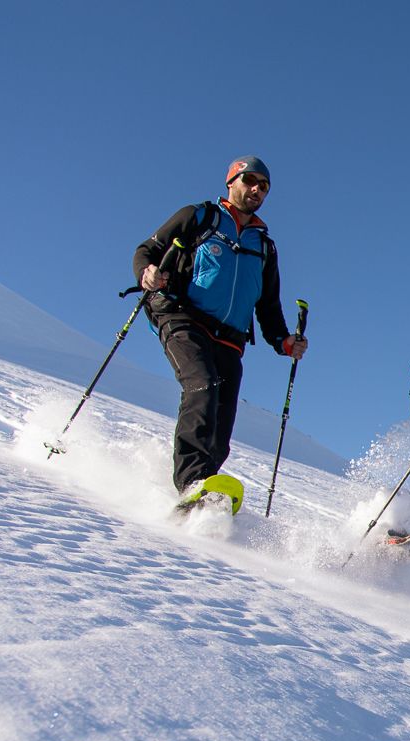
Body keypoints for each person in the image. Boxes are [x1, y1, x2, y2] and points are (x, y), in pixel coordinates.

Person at [132, 155, 307, 496]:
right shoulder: (199, 217)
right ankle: (191, 484)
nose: (256, 189)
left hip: (229, 337)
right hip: (182, 316)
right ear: (231, 182)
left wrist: (283, 341)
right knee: (202, 385)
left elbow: (268, 305)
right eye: (250, 181)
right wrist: (147, 272)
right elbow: (147, 249)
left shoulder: (265, 247)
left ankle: (205, 492)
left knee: (222, 421)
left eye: (264, 186)